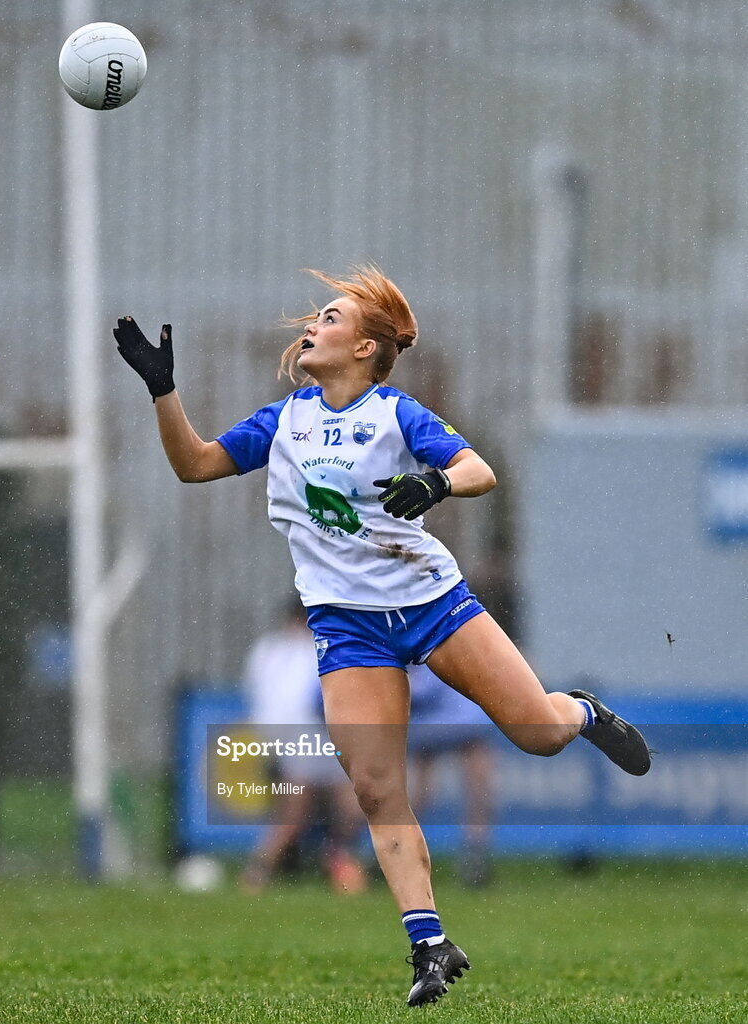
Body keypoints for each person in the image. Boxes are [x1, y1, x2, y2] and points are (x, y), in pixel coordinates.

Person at [113, 266, 651, 1007]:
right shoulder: (285, 420)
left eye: (330, 318)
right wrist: (161, 391)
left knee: (539, 735)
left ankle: (583, 711)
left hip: (433, 604)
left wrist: (437, 483)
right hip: (346, 626)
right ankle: (430, 945)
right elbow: (195, 464)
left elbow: (479, 470)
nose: (312, 325)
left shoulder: (397, 414)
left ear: (366, 348)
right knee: (374, 787)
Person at [239, 598, 367, 895]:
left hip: (278, 740)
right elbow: (322, 701)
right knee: (313, 812)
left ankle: (335, 863)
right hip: (311, 737)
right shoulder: (317, 650)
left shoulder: (267, 650)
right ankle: (261, 872)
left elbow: (258, 696)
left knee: (316, 811)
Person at [407, 663, 494, 888]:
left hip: (465, 723)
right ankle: (395, 850)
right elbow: (413, 688)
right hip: (431, 726)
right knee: (421, 795)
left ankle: (475, 857)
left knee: (480, 790)